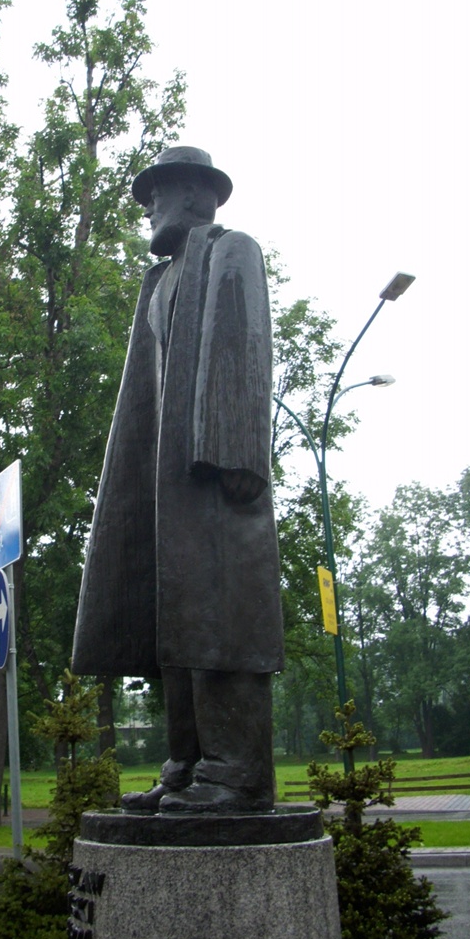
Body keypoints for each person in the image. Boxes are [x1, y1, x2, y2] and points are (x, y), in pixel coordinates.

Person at [72, 147, 284, 813]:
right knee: (180, 627)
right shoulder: (159, 281)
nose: (146, 208)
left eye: (155, 194)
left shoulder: (232, 249)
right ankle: (188, 765)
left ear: (194, 194)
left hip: (216, 472)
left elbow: (242, 347)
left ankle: (237, 773)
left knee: (223, 623)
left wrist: (238, 454)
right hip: (167, 486)